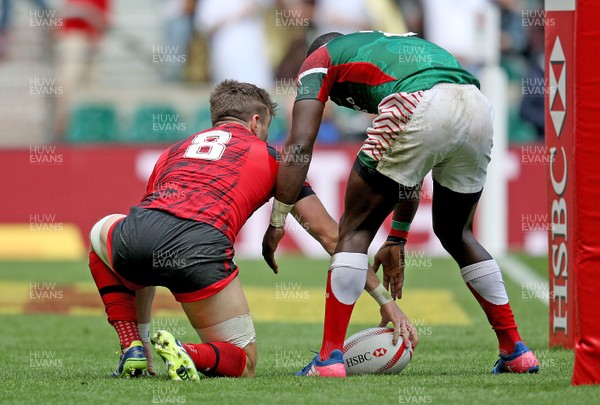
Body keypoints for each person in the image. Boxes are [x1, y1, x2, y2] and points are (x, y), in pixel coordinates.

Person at [88, 79, 410, 379]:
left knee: (102, 231)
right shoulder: (273, 157)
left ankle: (135, 344)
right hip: (199, 248)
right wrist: (385, 300)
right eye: (268, 127)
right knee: (244, 361)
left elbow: (155, 221)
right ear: (256, 122)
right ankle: (188, 352)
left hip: (139, 231)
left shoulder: (173, 151)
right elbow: (331, 236)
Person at [262, 30, 540, 377]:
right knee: (457, 233)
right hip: (476, 104)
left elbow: (300, 144)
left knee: (355, 231)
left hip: (419, 102)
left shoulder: (318, 59)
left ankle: (329, 359)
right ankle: (515, 351)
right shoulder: (391, 43)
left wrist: (278, 220)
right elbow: (413, 164)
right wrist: (397, 237)